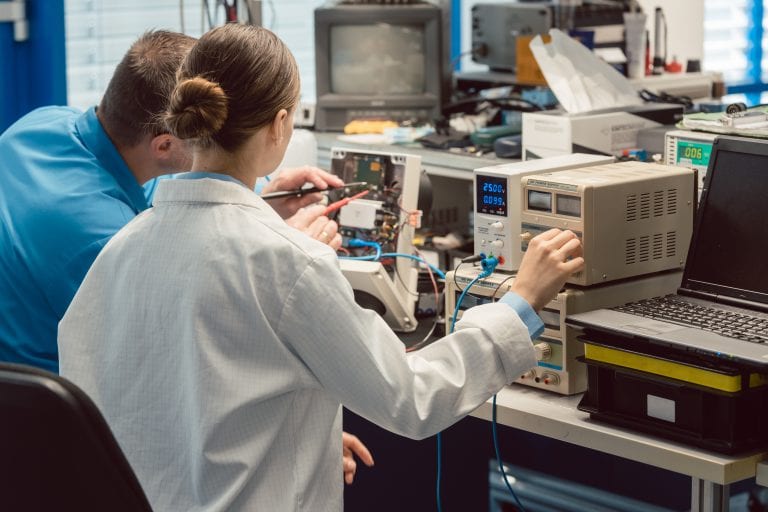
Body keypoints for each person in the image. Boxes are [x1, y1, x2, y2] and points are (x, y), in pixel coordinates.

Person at [58, 24, 584, 511]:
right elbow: (413, 397)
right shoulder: (289, 262)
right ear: (281, 124)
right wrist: (521, 302)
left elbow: (150, 398)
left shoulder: (122, 247)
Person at [0, 30, 342, 374]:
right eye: (204, 127)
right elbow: (192, 351)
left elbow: (152, 190)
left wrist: (261, 198)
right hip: (54, 406)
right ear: (163, 145)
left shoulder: (44, 121)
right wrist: (290, 258)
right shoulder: (109, 243)